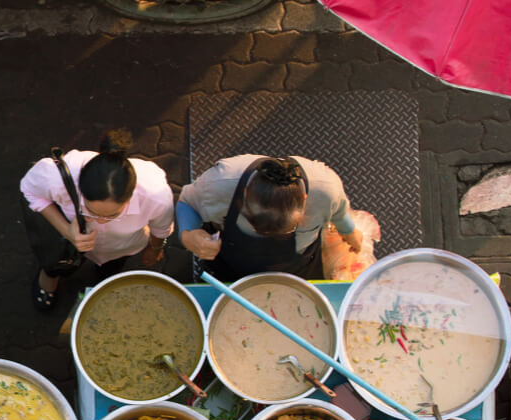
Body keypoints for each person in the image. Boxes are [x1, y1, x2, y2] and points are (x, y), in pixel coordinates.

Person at [20, 129, 174, 310]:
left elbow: (160, 229)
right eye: (90, 211)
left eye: (112, 215)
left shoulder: (156, 196)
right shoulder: (56, 177)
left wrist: (155, 249)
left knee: (112, 267)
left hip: (121, 247)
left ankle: (104, 280)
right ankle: (51, 276)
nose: (99, 222)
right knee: (57, 261)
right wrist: (66, 231)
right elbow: (30, 190)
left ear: (131, 196)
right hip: (68, 243)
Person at [176, 154, 362, 281]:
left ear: (305, 200)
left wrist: (349, 231)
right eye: (256, 225)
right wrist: (188, 234)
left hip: (298, 267)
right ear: (245, 193)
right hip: (233, 266)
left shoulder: (327, 190)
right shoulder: (219, 184)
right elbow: (187, 202)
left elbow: (339, 211)